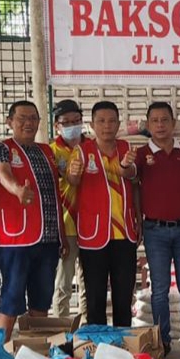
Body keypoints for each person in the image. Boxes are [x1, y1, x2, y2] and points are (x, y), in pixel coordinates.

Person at [134, 102, 180, 359]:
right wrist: (138, 222)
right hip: (155, 231)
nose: (160, 125)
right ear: (148, 125)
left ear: (174, 123)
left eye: (165, 120)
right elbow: (134, 188)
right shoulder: (141, 155)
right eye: (154, 120)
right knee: (160, 289)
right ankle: (162, 340)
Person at [0, 101, 64, 335]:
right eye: (22, 118)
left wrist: (62, 236)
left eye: (33, 118)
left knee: (41, 301)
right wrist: (17, 190)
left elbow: (59, 187)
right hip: (17, 241)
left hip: (49, 239)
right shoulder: (2, 148)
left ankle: (34, 351)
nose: (28, 123)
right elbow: (3, 173)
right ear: (9, 121)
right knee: (11, 300)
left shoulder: (47, 151)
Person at [66, 101, 139, 327]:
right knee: (95, 296)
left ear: (118, 124)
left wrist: (126, 167)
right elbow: (72, 180)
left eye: (111, 121)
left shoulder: (126, 148)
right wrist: (74, 173)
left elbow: (134, 176)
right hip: (93, 235)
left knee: (123, 294)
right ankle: (98, 345)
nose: (106, 126)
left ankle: (123, 342)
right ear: (91, 124)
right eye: (101, 121)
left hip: (124, 233)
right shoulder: (81, 151)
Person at [50, 99, 86, 323]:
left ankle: (86, 327)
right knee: (64, 282)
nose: (72, 125)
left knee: (88, 282)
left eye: (76, 121)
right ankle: (60, 327)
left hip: (92, 224)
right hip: (66, 224)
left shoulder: (91, 148)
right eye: (66, 122)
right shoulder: (52, 152)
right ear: (57, 126)